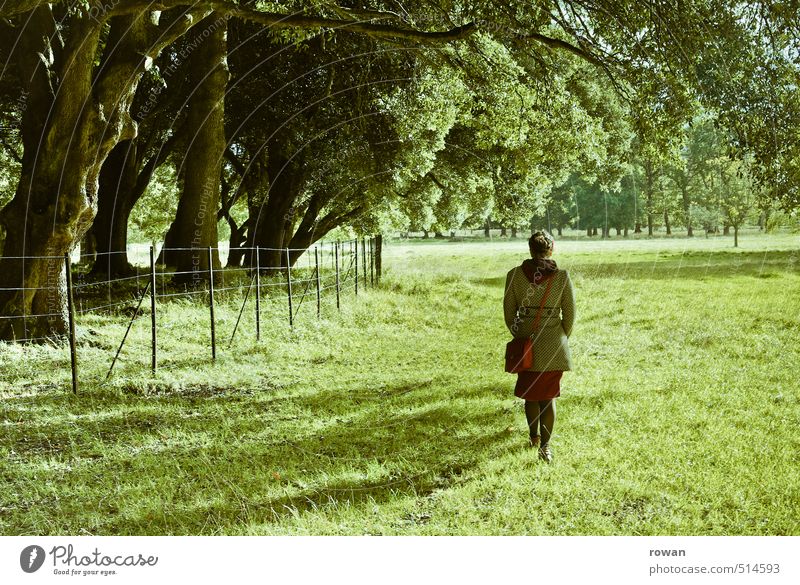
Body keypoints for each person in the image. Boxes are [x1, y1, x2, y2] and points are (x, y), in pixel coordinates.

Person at [503, 231, 575, 463]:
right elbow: (570, 314)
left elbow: (508, 312)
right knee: (548, 397)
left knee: (531, 396)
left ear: (530, 250)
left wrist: (520, 335)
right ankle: (545, 446)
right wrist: (560, 337)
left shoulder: (514, 275)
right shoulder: (562, 277)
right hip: (554, 344)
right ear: (551, 250)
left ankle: (533, 437)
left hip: (526, 345)